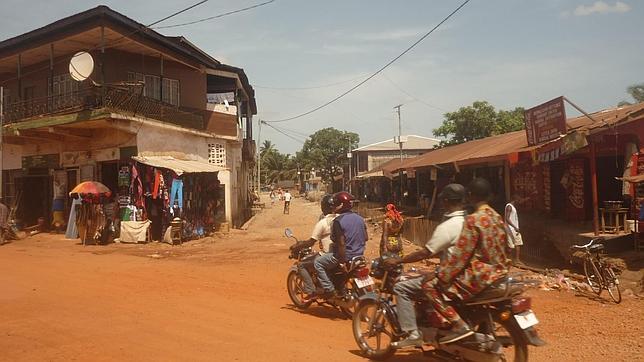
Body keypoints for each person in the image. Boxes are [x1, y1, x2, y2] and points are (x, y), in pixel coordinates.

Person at [422, 178, 511, 344]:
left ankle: (459, 325)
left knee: (429, 286)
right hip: (502, 272)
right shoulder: (497, 216)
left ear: (470, 196)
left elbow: (461, 255)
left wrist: (440, 274)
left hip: (482, 275)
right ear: (489, 196)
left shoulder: (473, 219)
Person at [383, 184, 467, 349]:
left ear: (445, 201)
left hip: (450, 275)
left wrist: (399, 261)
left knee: (401, 287)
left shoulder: (448, 226)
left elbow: (425, 253)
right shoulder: (471, 222)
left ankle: (413, 333)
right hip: (466, 272)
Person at [314, 191, 367, 299]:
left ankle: (329, 289)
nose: (334, 206)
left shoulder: (338, 221)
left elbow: (341, 244)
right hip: (359, 255)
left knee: (318, 263)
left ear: (341, 205)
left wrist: (342, 262)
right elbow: (365, 237)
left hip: (344, 256)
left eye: (336, 204)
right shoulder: (360, 218)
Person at [291, 195, 337, 300]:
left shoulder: (323, 223)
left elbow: (311, 242)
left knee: (301, 265)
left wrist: (297, 246)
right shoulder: (340, 218)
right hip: (341, 253)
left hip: (327, 255)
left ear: (323, 207)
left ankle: (311, 291)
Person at [504, 196, 523, 264]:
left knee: (513, 245)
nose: (519, 201)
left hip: (512, 229)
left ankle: (512, 260)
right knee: (516, 244)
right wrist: (515, 227)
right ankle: (516, 260)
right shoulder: (509, 206)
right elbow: (507, 218)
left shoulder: (511, 207)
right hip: (512, 229)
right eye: (518, 200)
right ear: (515, 200)